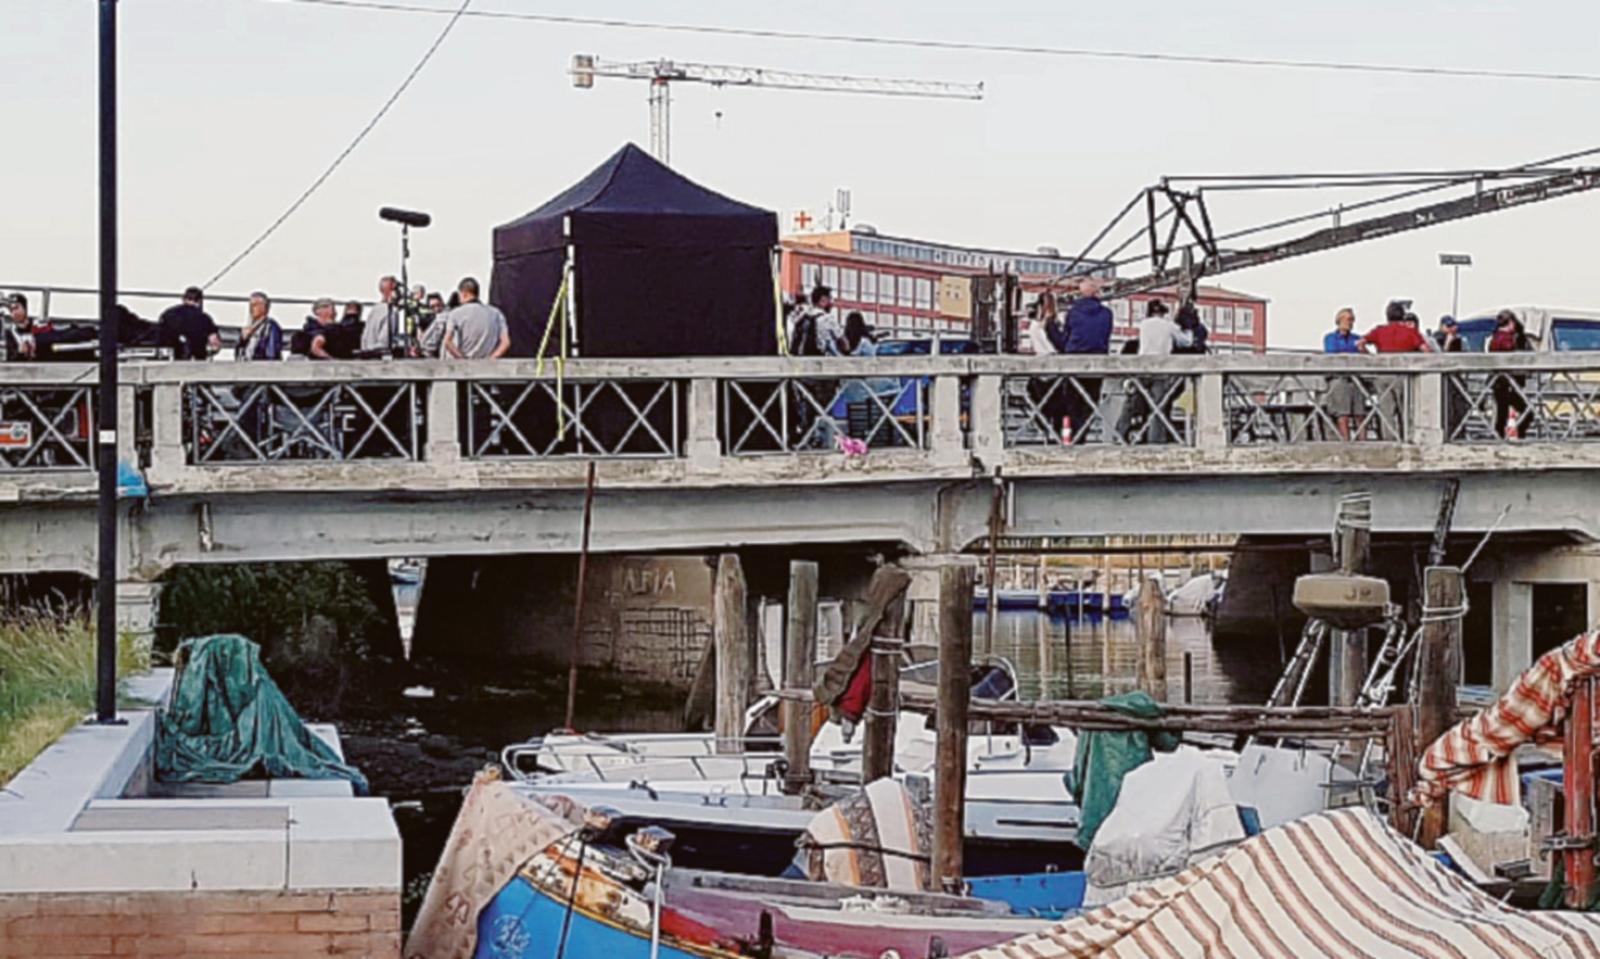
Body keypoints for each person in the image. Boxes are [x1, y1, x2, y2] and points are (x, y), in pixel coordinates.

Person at [1118, 300, 1192, 444]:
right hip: (1161, 369)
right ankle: (1155, 439)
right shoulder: (1168, 326)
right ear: (1163, 312)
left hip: (1142, 367)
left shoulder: (1143, 325)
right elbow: (1186, 341)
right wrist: (1187, 328)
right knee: (1158, 408)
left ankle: (1120, 432)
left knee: (1132, 403)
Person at [1057, 277, 1113, 444]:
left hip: (1074, 362)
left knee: (1073, 403)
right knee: (1090, 402)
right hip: (1097, 361)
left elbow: (1065, 339)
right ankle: (1083, 434)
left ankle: (1073, 438)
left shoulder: (1073, 313)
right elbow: (1106, 337)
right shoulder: (1107, 314)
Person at [1321, 307, 1364, 440]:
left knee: (1360, 413)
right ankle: (1345, 442)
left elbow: (1364, 355)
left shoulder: (1357, 338)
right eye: (1348, 320)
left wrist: (1361, 350)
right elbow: (1333, 354)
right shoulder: (1330, 338)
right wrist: (1354, 350)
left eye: (1352, 320)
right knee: (1342, 413)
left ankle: (1363, 442)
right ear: (1339, 320)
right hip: (1338, 377)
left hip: (1355, 377)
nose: (1351, 323)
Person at [441, 277, 510, 360]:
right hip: (489, 368)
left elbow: (447, 342)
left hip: (464, 368)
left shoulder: (455, 314)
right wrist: (491, 359)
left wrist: (462, 359)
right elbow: (506, 342)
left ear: (464, 293)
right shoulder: (496, 313)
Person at [1488, 309, 1531, 439]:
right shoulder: (1507, 340)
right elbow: (1511, 358)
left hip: (1498, 381)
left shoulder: (1494, 338)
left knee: (1502, 413)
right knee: (1526, 411)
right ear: (1511, 322)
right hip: (1507, 382)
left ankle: (1499, 437)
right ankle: (1519, 433)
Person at [157, 286, 221, 361]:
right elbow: (215, 344)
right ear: (199, 301)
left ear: (184, 299)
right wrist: (209, 352)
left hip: (170, 361)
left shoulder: (167, 314)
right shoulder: (205, 319)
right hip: (196, 362)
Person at [786, 285, 844, 356]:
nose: (831, 303)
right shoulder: (827, 319)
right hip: (817, 360)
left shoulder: (802, 315)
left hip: (797, 359)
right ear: (823, 300)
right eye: (830, 299)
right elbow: (843, 342)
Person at [359, 275, 401, 356]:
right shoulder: (391, 311)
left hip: (367, 354)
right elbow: (385, 341)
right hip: (379, 357)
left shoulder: (374, 310)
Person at [236, 291, 283, 361]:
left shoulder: (270, 327)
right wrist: (242, 340)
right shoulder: (248, 328)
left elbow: (271, 354)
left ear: (264, 307)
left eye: (255, 305)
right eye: (250, 305)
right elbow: (238, 353)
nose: (251, 309)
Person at [3, 294, 50, 361]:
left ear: (25, 308)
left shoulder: (38, 326)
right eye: (11, 310)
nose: (14, 313)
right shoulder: (10, 332)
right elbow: (10, 360)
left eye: (16, 308)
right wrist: (20, 353)